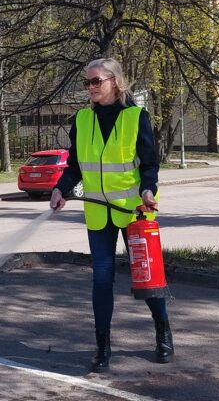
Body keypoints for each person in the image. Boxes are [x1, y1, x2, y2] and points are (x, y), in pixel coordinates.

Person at [50, 57, 173, 373]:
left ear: (115, 82)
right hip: (97, 213)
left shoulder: (136, 117)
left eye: (96, 81)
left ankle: (163, 332)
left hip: (134, 211)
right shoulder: (81, 120)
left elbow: (149, 164)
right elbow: (75, 166)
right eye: (87, 82)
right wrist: (60, 189)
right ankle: (102, 347)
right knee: (101, 279)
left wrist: (148, 190)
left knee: (146, 279)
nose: (90, 87)